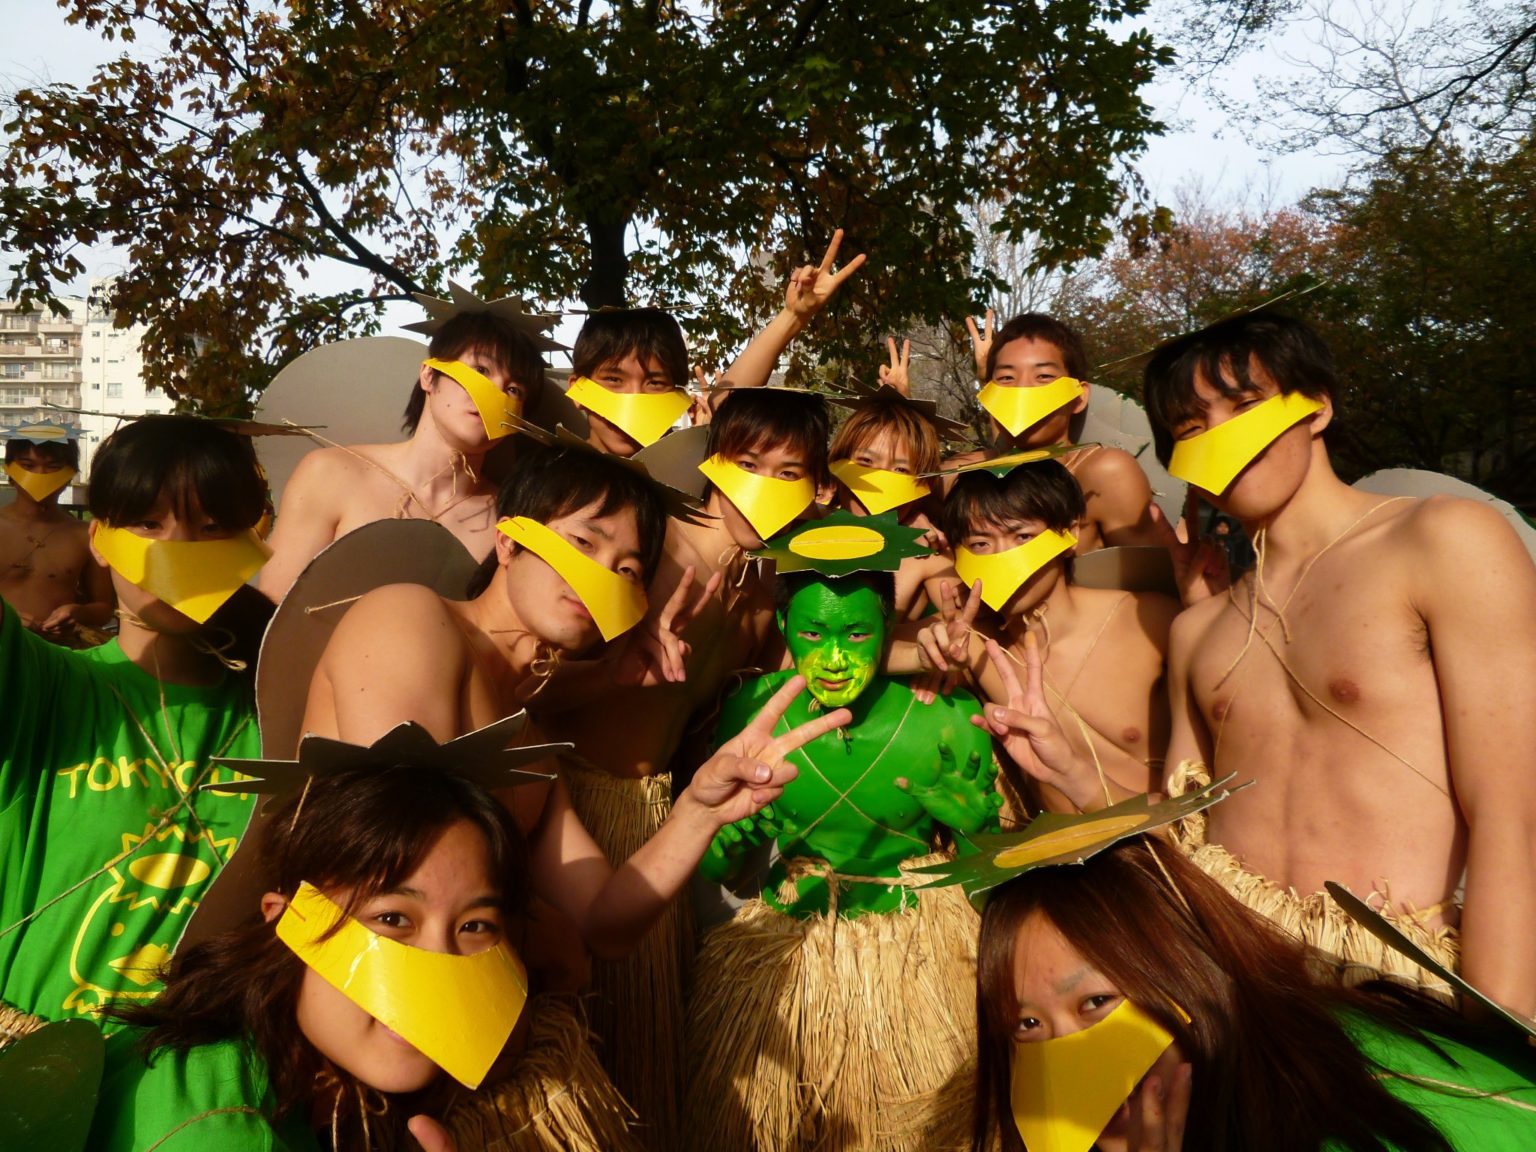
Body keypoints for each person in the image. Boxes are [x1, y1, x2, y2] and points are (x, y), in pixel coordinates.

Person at [1143, 311, 1536, 1018]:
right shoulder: (1197, 630)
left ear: (1317, 406)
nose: (1223, 437)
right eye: (1191, 427)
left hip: (1397, 985)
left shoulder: (1442, 540)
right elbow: (1179, 833)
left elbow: (1514, 810)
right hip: (1233, 980)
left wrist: (1501, 1034)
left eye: (1245, 405)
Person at [528, 386, 833, 1146]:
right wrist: (609, 672)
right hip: (570, 822)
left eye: (788, 471)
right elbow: (523, 688)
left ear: (817, 488)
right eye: (747, 462)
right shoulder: (654, 554)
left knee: (647, 1059)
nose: (762, 485)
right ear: (713, 462)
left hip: (667, 816)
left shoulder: (768, 588)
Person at [89, 729, 635, 1152]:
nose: (438, 970)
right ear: (286, 922)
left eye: (474, 926)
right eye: (394, 920)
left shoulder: (342, 1097)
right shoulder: (211, 1110)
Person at [683, 527, 1001, 1152]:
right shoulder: (753, 710)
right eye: (811, 633)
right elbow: (724, 867)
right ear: (781, 623)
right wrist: (734, 831)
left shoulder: (949, 717)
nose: (833, 658)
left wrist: (977, 832)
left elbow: (987, 894)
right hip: (784, 966)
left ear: (889, 625)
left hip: (916, 960)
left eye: (855, 633)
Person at [964, 829, 1536, 1152]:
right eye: (1028, 1025)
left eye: (1095, 1003)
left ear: (1183, 971)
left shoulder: (1340, 1124)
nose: (1071, 1069)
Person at [0, 414, 269, 1028]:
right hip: (32, 1070)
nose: (179, 549)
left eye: (213, 528)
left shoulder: (290, 702)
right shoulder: (41, 688)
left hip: (203, 1077)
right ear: (98, 539)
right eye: (149, 523)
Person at [906, 458, 1178, 808]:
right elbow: (866, 648)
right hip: (1057, 856)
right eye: (980, 545)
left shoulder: (1149, 620)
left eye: (1022, 537)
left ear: (1069, 534)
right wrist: (923, 652)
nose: (1004, 559)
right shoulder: (974, 643)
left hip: (1164, 849)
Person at [258, 304, 550, 599]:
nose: (495, 393)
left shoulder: (508, 526)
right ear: (429, 376)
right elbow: (274, 604)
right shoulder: (332, 473)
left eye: (514, 390)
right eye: (481, 371)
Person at [566, 232, 863, 458]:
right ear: (576, 389)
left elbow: (728, 401)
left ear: (677, 395)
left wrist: (792, 317)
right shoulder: (541, 477)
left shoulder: (685, 476)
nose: (632, 399)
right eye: (613, 380)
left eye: (654, 383)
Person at [946, 310, 1175, 554]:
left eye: (1043, 377)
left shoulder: (1104, 473)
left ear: (1079, 396)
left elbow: (1152, 582)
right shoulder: (966, 475)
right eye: (1007, 378)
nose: (1024, 392)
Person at [827, 337, 960, 617]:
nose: (880, 484)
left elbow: (965, 628)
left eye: (900, 471)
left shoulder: (927, 555)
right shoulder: (803, 528)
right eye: (865, 462)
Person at [0, 424, 113, 644]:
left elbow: (104, 608)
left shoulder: (86, 535)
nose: (40, 475)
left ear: (70, 473)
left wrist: (76, 613)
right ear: (9, 470)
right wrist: (6, 619)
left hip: (58, 654)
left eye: (52, 466)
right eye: (27, 465)